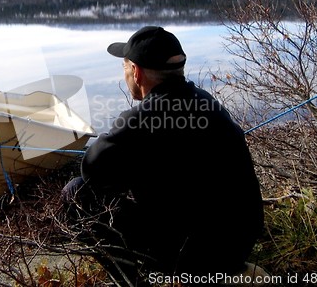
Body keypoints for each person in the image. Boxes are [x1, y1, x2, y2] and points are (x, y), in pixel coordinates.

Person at [61, 26, 265, 284]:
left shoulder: (137, 122)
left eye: (125, 67)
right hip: (236, 247)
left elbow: (92, 172)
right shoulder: (210, 105)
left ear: (136, 72)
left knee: (75, 192)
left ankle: (134, 281)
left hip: (190, 258)